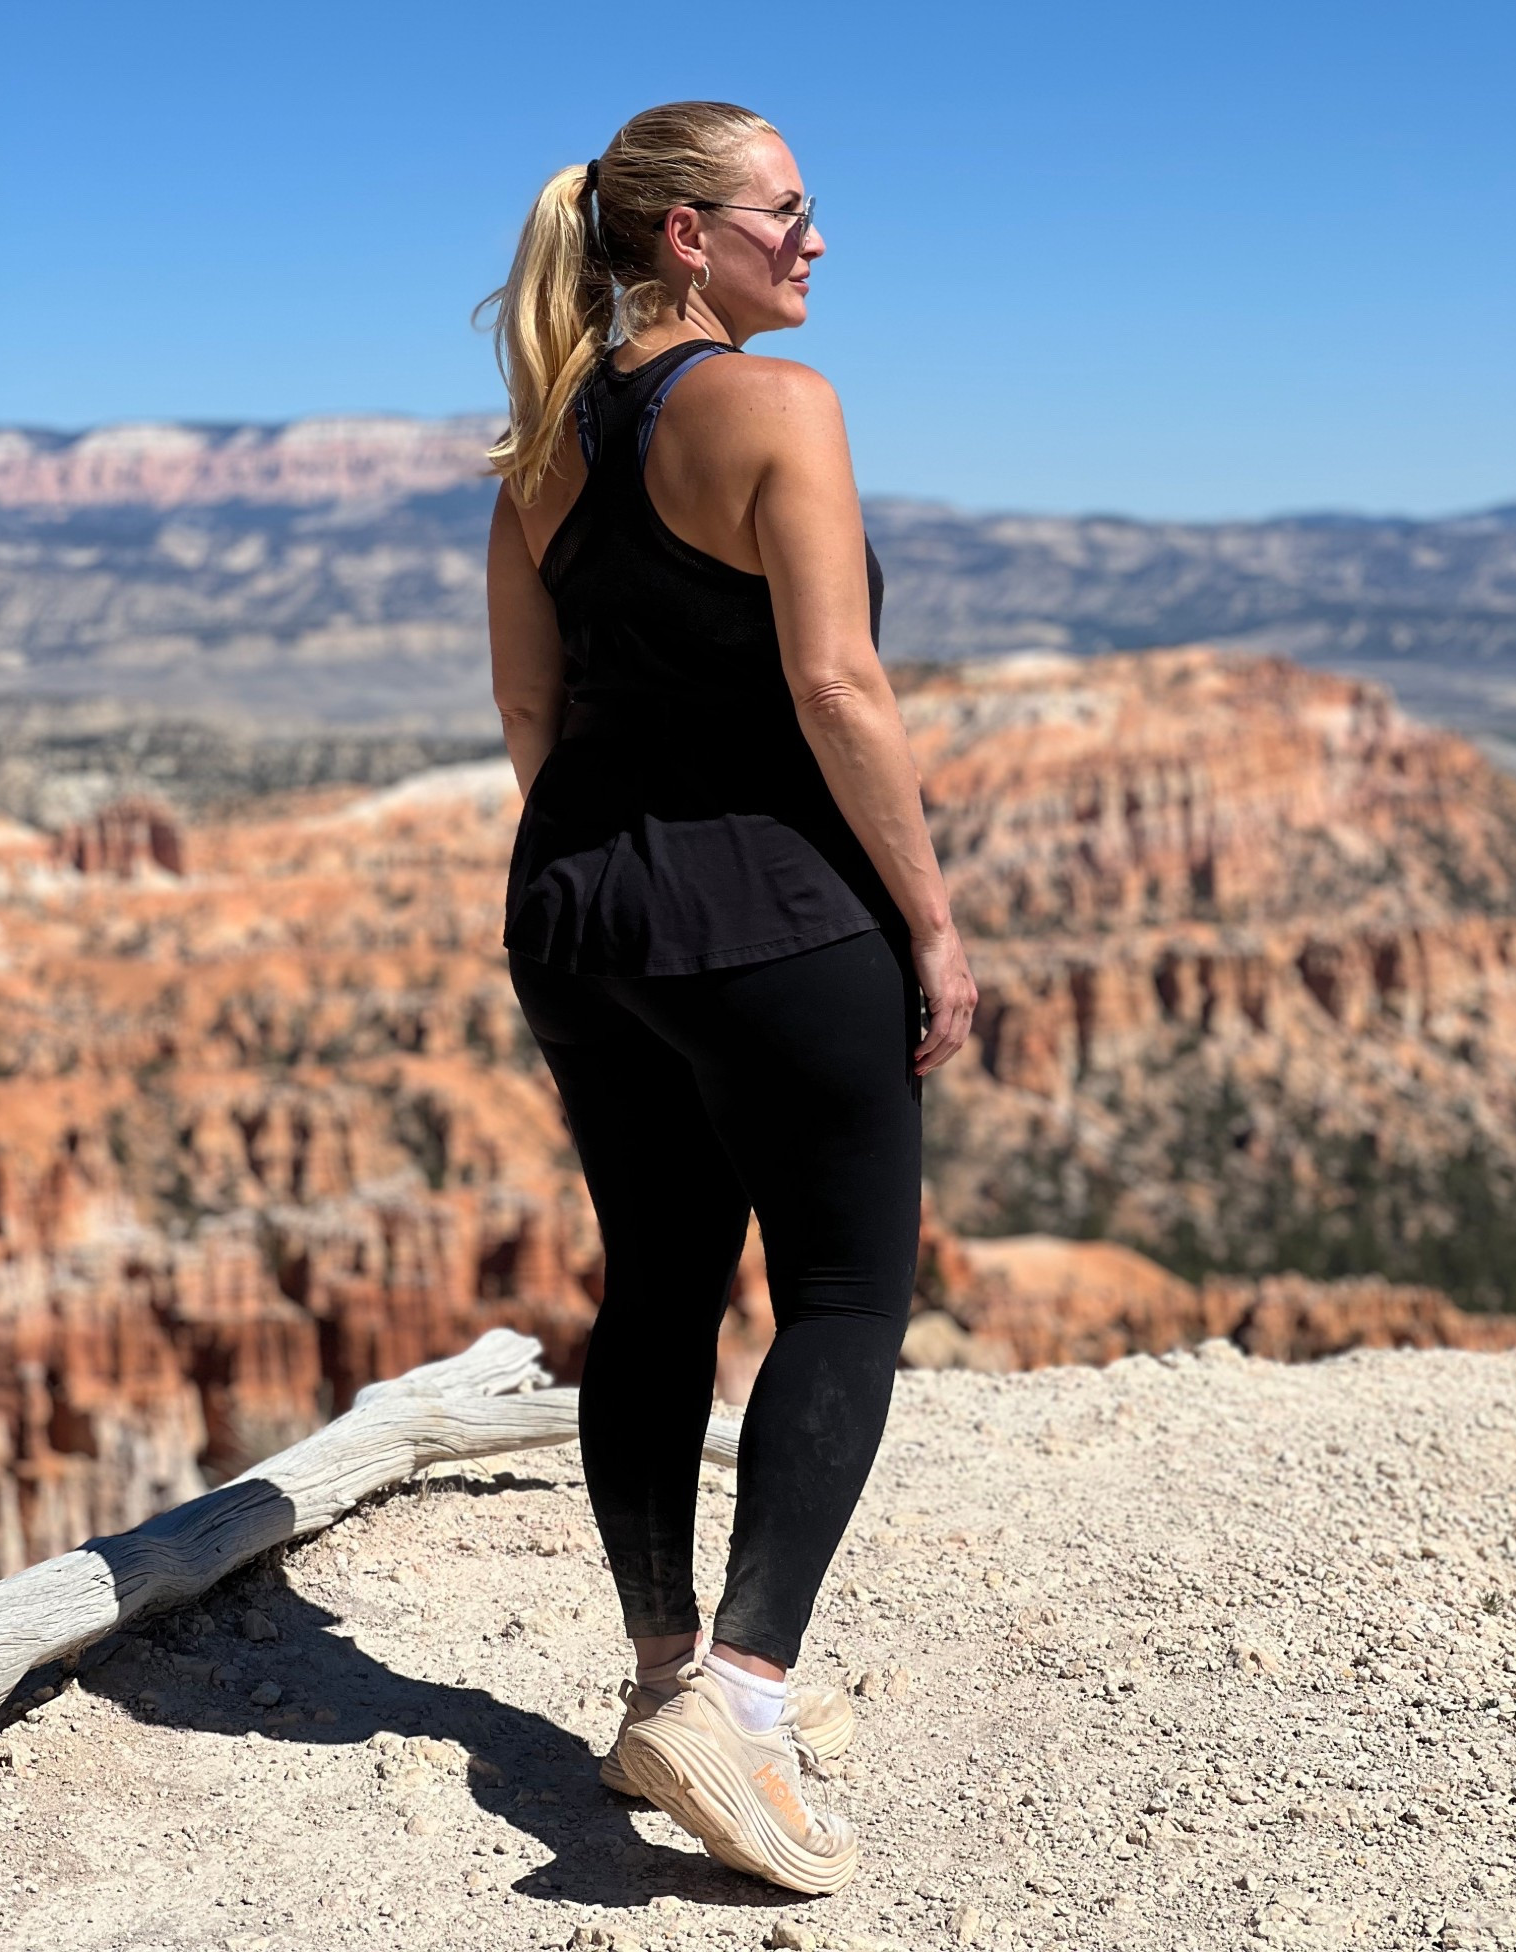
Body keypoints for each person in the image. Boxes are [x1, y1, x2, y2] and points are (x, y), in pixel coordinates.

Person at [480, 99, 977, 1895]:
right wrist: (928, 921)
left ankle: (664, 1673)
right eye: (792, 210)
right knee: (844, 1287)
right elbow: (839, 688)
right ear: (690, 236)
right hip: (769, 905)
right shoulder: (782, 412)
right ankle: (744, 1706)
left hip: (580, 911)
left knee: (662, 1284)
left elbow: (531, 722)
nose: (817, 240)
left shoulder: (534, 449)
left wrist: (596, 875)